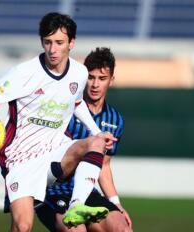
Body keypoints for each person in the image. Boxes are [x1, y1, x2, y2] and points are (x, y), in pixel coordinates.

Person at [0, 12, 117, 232]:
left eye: (59, 43)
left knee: (95, 142)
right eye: (47, 42)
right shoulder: (24, 73)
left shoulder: (79, 73)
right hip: (21, 159)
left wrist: (97, 131)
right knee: (23, 226)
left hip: (55, 152)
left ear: (71, 43)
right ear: (42, 42)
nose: (53, 49)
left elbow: (76, 104)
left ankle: (76, 206)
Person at [36, 47, 133, 231]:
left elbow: (103, 165)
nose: (95, 84)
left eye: (102, 78)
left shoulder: (115, 120)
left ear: (111, 80)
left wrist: (116, 203)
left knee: (122, 228)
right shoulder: (63, 109)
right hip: (53, 191)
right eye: (90, 77)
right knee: (77, 229)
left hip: (87, 193)